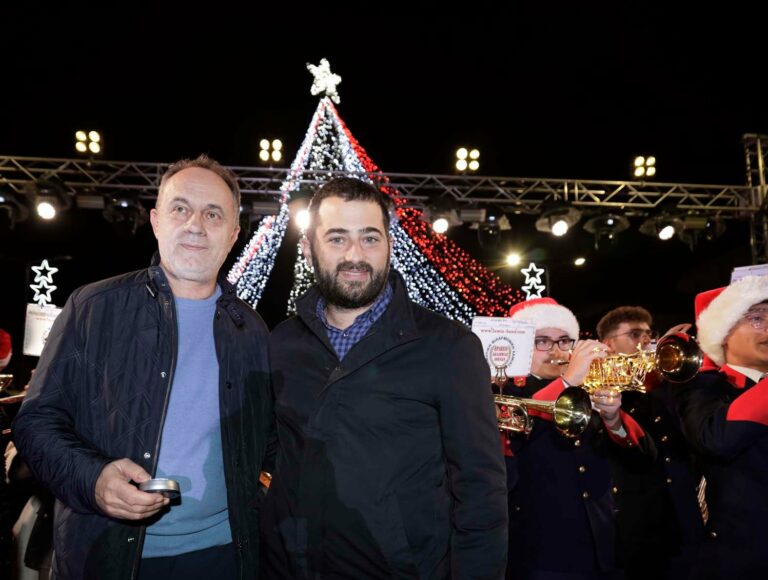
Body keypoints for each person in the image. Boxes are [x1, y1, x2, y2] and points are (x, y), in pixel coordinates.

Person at [13, 155, 274, 580]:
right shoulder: (92, 307)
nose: (196, 225)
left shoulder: (252, 330)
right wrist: (93, 479)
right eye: (180, 208)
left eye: (213, 214)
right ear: (156, 221)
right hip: (106, 555)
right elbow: (36, 423)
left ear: (232, 234)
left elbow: (267, 439)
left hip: (223, 556)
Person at [260, 177, 507, 579]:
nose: (355, 255)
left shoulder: (449, 347)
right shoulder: (282, 343)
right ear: (307, 247)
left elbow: (481, 490)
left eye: (370, 238)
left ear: (390, 245)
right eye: (337, 238)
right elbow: (273, 451)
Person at [506, 298, 654, 580]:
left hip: (605, 545)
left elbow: (644, 459)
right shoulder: (507, 390)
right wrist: (568, 381)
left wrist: (613, 419)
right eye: (542, 341)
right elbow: (519, 434)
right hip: (543, 550)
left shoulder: (589, 388)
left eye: (564, 341)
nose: (556, 351)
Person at [597, 306, 704, 580]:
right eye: (634, 334)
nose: (645, 340)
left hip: (679, 513)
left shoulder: (664, 383)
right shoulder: (599, 385)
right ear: (608, 344)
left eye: (649, 333)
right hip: (634, 521)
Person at [673, 275, 768, 579]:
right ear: (724, 333)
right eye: (757, 318)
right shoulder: (702, 387)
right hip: (739, 560)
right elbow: (717, 438)